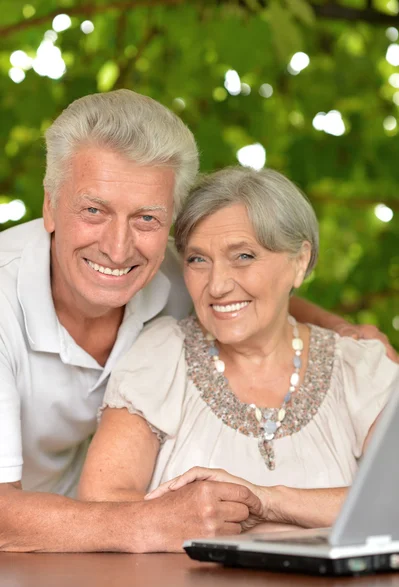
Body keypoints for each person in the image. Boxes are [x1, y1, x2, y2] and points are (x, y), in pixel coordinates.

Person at [0, 89, 394, 554]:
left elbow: (255, 292)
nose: (118, 247)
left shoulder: (170, 274)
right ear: (49, 206)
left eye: (147, 218)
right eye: (93, 210)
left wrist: (342, 331)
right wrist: (148, 524)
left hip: (80, 548)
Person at [79, 166, 399, 541]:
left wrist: (265, 501)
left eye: (243, 256)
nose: (217, 285)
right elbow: (101, 504)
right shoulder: (160, 356)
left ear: (299, 261)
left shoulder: (361, 369)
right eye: (198, 259)